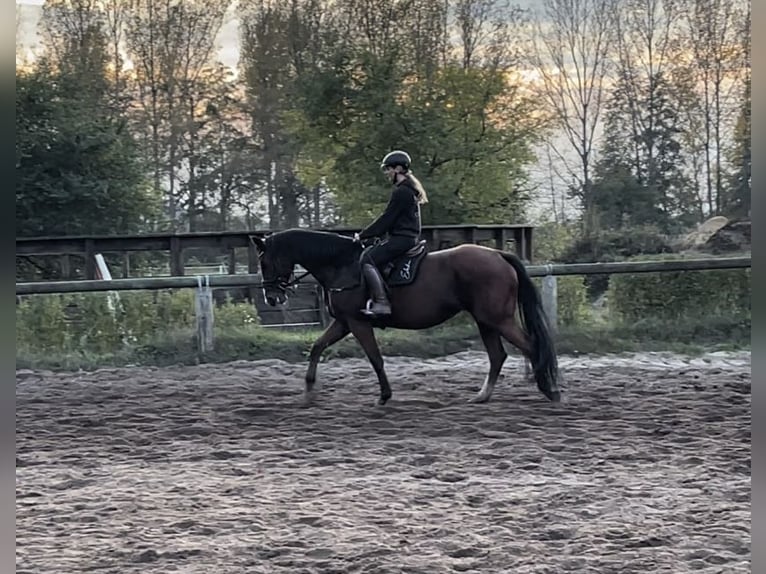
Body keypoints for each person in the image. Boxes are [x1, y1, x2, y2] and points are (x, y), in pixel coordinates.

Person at [354, 150, 429, 316]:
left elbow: (387, 219)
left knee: (367, 259)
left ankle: (382, 303)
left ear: (398, 169)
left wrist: (363, 235)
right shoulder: (409, 190)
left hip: (402, 239)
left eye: (388, 169)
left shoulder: (401, 192)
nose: (387, 173)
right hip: (407, 238)